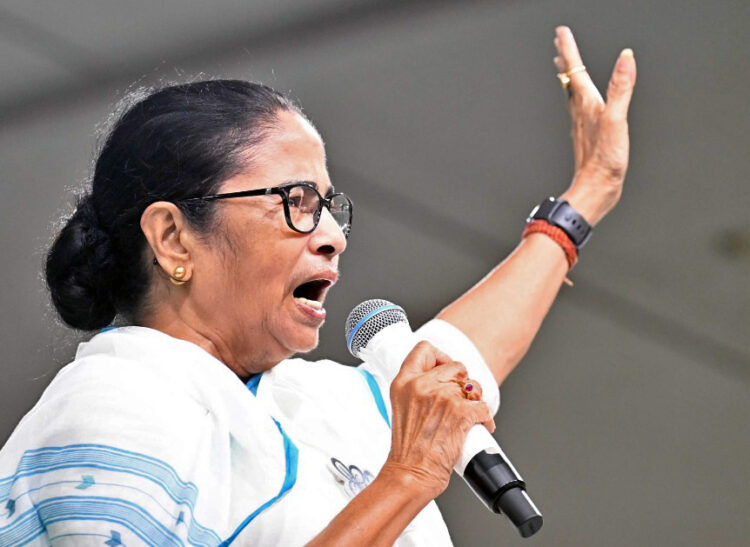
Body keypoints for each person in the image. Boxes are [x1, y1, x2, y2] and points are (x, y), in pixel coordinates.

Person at [0, 27, 636, 546]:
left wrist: (586, 198)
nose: (333, 233)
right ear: (172, 238)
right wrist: (407, 477)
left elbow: (465, 349)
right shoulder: (113, 401)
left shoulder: (309, 402)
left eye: (331, 206)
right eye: (296, 201)